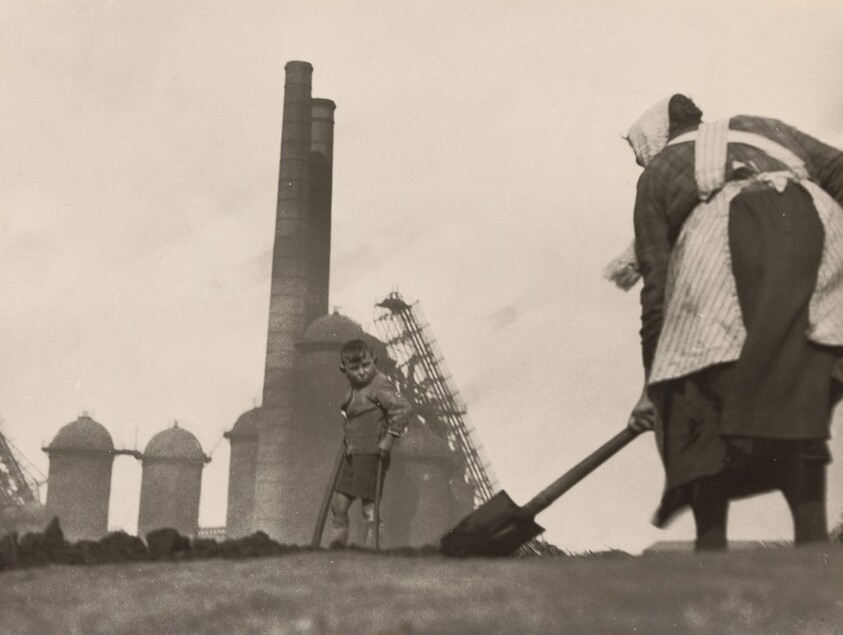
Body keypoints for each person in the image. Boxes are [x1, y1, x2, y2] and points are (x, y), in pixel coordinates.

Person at [623, 94, 843, 550]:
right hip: (819, 244)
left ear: (653, 141)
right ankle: (813, 544)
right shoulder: (765, 126)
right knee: (798, 385)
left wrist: (654, 385)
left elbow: (658, 288)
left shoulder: (659, 174)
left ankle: (711, 546)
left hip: (724, 256)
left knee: (695, 398)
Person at [329, 338, 412, 548]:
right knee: (338, 505)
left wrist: (389, 438)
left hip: (370, 452)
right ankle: (335, 552)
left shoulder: (379, 385)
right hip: (351, 453)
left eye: (366, 365)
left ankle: (371, 553)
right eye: (354, 368)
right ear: (344, 369)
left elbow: (402, 408)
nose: (362, 372)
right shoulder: (353, 388)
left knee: (369, 508)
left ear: (374, 361)